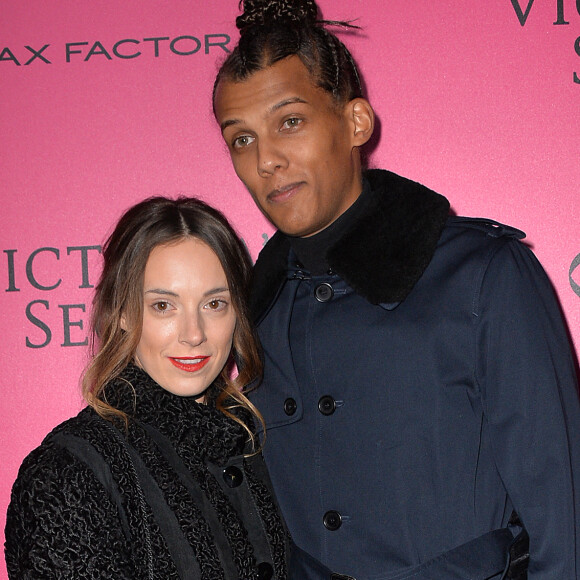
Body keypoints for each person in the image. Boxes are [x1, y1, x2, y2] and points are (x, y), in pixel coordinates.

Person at [212, 1, 580, 578]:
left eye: (290, 121)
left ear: (355, 122)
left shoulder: (484, 275)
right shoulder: (250, 313)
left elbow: (565, 521)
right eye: (241, 139)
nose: (267, 160)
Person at [5, 197, 291, 579]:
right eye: (163, 306)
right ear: (122, 311)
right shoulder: (66, 474)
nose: (194, 334)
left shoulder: (262, 443)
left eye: (214, 304)